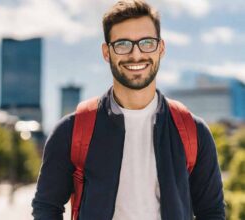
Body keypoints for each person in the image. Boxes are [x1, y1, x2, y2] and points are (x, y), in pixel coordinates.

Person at [32, 0, 225, 219]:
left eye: (147, 43)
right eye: (123, 44)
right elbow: (46, 207)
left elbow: (211, 212)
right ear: (107, 52)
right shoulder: (71, 131)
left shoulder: (194, 132)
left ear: (161, 48)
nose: (136, 54)